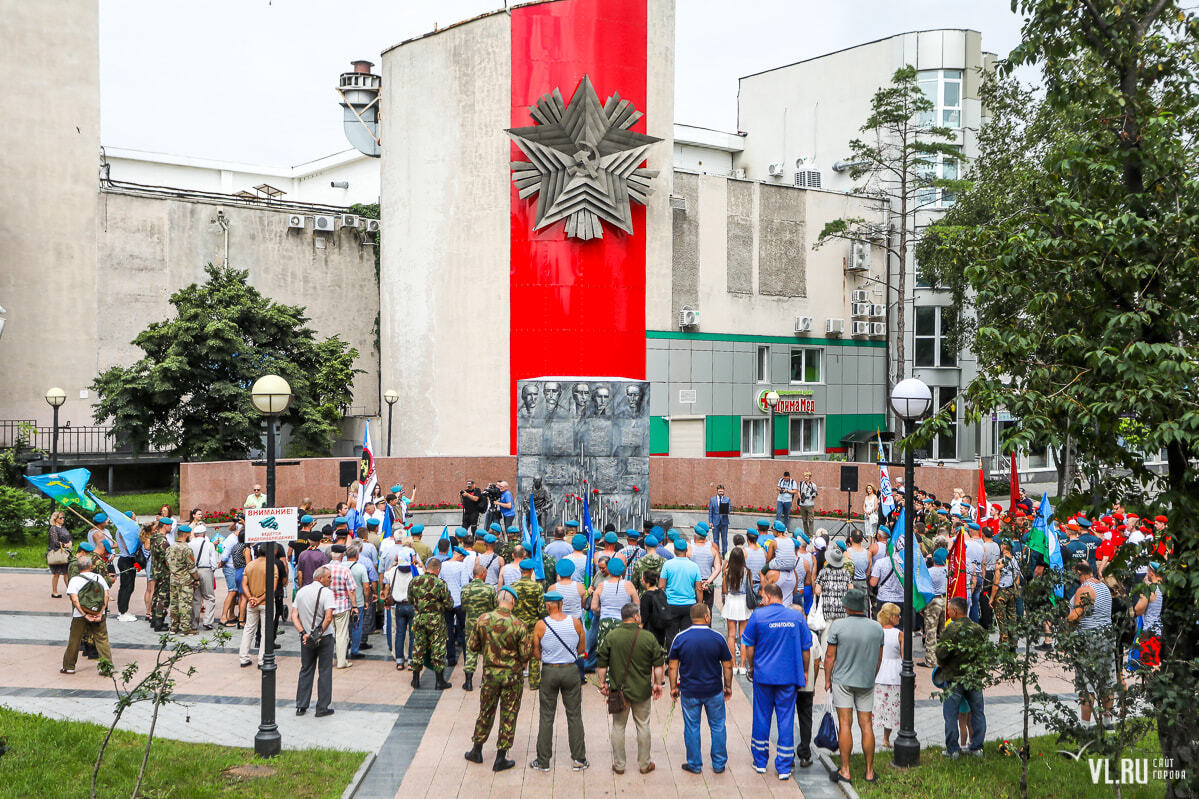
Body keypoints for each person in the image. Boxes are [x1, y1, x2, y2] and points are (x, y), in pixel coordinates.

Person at [742, 583, 811, 780]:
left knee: (762, 717)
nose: (761, 600)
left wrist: (752, 667)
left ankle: (761, 761)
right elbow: (806, 648)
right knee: (786, 718)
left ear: (770, 597)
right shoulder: (796, 617)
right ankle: (784, 766)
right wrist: (804, 671)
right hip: (788, 677)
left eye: (763, 596)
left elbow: (748, 645)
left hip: (763, 676)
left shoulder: (758, 616)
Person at [465, 585, 533, 772]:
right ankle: (501, 757)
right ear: (513, 602)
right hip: (512, 677)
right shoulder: (518, 624)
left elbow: (472, 646)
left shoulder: (483, 619)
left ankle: (476, 750)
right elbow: (526, 654)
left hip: (489, 675)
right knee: (509, 714)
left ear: (498, 600)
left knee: (486, 711)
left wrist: (488, 653)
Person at [596, 602, 666, 775]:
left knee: (618, 726)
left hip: (619, 691)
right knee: (643, 725)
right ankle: (644, 764)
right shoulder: (647, 637)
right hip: (642, 691)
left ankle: (619, 765)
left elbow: (601, 664)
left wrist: (602, 683)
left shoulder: (612, 636)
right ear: (635, 617)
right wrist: (657, 683)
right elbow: (658, 664)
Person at [824, 587, 884, 784]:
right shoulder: (877, 628)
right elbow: (878, 660)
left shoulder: (838, 626)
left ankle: (846, 770)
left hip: (843, 680)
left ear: (847, 606)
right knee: (866, 724)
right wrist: (870, 676)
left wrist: (827, 680)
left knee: (845, 724)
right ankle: (869, 772)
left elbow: (830, 656)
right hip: (866, 680)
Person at [669, 603, 733, 774]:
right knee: (718, 726)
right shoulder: (717, 638)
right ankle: (719, 764)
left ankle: (695, 764)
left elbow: (673, 666)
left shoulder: (680, 638)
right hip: (714, 690)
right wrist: (728, 686)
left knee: (691, 727)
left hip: (689, 691)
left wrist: (673, 687)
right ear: (706, 617)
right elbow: (727, 665)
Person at [529, 591, 588, 772]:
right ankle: (579, 758)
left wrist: (547, 657)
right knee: (574, 715)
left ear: (547, 606)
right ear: (561, 604)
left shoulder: (541, 625)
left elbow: (535, 651)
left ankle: (543, 760)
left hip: (549, 671)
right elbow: (582, 648)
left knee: (546, 716)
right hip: (570, 670)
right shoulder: (576, 623)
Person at [936, 596, 987, 757]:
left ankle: (952, 750)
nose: (948, 612)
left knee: (951, 715)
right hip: (973, 678)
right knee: (978, 713)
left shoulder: (951, 630)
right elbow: (984, 654)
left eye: (949, 609)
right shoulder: (978, 629)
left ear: (955, 611)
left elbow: (941, 653)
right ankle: (977, 747)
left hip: (954, 678)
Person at [1066, 561, 1114, 726]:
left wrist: (1064, 624)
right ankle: (1108, 722)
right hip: (1107, 637)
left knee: (1087, 685)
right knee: (1107, 682)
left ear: (1080, 572)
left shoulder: (1084, 590)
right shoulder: (1104, 588)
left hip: (1089, 639)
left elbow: (1075, 616)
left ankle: (1085, 726)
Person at [292, 565, 336, 717]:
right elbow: (329, 617)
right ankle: (322, 707)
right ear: (320, 578)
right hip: (324, 637)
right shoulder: (327, 593)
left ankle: (301, 705)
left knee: (306, 669)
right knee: (324, 671)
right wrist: (319, 633)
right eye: (329, 577)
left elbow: (294, 615)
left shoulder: (302, 591)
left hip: (306, 638)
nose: (330, 580)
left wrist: (303, 633)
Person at [61, 554, 112, 674]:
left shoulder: (75, 580)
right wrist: (100, 612)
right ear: (90, 566)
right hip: (99, 613)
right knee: (102, 639)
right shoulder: (99, 578)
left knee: (75, 639)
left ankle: (69, 666)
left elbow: (74, 599)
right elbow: (106, 596)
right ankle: (107, 668)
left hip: (80, 615)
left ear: (79, 567)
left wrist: (84, 614)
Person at [408, 556, 453, 689]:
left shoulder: (414, 581)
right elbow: (449, 604)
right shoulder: (440, 583)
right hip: (436, 620)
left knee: (418, 647)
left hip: (419, 618)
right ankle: (439, 681)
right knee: (438, 649)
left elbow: (410, 600)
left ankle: (415, 680)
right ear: (438, 569)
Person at [238, 544, 281, 667]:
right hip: (265, 603)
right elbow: (271, 588)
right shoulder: (272, 566)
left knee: (248, 629)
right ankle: (262, 659)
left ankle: (244, 657)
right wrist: (259, 599)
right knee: (265, 632)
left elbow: (244, 584)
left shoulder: (250, 565)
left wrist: (250, 598)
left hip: (251, 603)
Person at [460, 561, 498, 690]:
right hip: (486, 624)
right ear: (482, 574)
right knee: (487, 653)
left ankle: (469, 681)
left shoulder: (465, 588)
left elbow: (463, 607)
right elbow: (494, 608)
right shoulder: (489, 589)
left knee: (470, 650)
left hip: (471, 623)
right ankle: (485, 681)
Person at [659, 539, 702, 650]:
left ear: (674, 550)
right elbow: (699, 588)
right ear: (686, 550)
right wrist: (700, 604)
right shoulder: (694, 566)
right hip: (689, 605)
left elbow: (661, 587)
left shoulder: (667, 565)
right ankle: (685, 660)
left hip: (671, 604)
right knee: (687, 636)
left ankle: (672, 660)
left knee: (671, 636)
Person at [511, 557, 546, 689]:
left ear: (521, 570)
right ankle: (534, 682)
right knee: (534, 653)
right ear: (531, 571)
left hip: (517, 624)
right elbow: (542, 609)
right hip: (533, 625)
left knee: (517, 653)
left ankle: (516, 680)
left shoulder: (513, 586)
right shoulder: (537, 587)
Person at [873, 603, 903, 749]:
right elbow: (904, 657)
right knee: (892, 707)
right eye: (897, 615)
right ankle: (886, 738)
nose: (899, 618)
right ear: (891, 617)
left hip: (879, 672)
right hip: (894, 673)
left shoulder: (876, 632)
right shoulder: (899, 634)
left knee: (878, 706)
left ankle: (871, 735)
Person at [720, 548, 751, 676]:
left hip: (732, 601)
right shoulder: (747, 571)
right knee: (743, 636)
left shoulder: (726, 572)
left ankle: (733, 665)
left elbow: (725, 590)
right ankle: (743, 665)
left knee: (731, 635)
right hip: (743, 602)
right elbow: (749, 588)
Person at [327, 545, 357, 669]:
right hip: (342, 605)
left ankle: (327, 660)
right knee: (342, 634)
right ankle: (341, 661)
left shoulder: (323, 569)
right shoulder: (345, 570)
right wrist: (354, 606)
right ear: (342, 556)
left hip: (327, 606)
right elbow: (351, 590)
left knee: (328, 634)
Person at [166, 525, 200, 634]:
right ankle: (185, 628)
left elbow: (167, 562)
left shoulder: (170, 547)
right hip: (185, 580)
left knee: (174, 603)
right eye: (189, 534)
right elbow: (191, 566)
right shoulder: (186, 548)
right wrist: (196, 579)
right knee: (185, 603)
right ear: (185, 534)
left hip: (173, 579)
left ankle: (173, 627)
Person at [989, 539, 1021, 647]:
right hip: (1011, 591)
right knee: (1012, 618)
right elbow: (1017, 579)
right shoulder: (1015, 560)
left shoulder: (1000, 562)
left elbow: (996, 581)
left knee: (1001, 620)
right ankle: (1013, 644)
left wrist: (992, 597)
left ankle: (1004, 645)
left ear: (1003, 547)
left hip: (1001, 592)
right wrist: (1015, 591)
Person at [188, 523, 220, 631]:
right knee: (209, 597)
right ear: (204, 534)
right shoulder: (209, 544)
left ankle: (194, 623)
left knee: (196, 597)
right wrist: (212, 571)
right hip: (206, 570)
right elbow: (213, 561)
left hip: (193, 571)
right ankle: (207, 622)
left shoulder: (190, 544)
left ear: (195, 534)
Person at [923, 548, 949, 667]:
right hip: (947, 600)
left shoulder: (929, 572)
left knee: (931, 630)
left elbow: (925, 589)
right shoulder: (949, 570)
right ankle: (945, 658)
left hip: (934, 600)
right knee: (945, 630)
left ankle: (931, 660)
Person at [346, 546, 370, 660]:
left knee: (344, 627)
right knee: (356, 626)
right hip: (358, 601)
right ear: (357, 555)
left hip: (343, 602)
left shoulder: (340, 566)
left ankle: (343, 650)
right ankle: (355, 650)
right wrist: (366, 600)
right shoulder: (361, 567)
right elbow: (366, 586)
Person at [148, 518, 171, 631]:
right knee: (163, 597)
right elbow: (167, 558)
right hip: (163, 572)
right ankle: (159, 621)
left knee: (156, 594)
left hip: (156, 570)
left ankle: (153, 619)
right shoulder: (162, 541)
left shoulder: (154, 537)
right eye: (170, 525)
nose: (171, 527)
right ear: (165, 526)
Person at [691, 525, 722, 610]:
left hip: (693, 583)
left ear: (695, 535)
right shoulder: (712, 547)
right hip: (707, 582)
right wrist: (708, 581)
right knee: (707, 609)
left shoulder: (689, 546)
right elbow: (718, 566)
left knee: (694, 610)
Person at [47, 511, 71, 598]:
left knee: (66, 573)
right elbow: (55, 541)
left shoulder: (63, 528)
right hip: (57, 552)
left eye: (63, 517)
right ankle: (54, 592)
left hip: (65, 553)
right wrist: (65, 545)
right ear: (55, 519)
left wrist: (70, 543)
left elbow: (69, 537)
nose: (63, 519)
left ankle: (70, 590)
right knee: (56, 573)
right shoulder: (53, 528)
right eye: (61, 518)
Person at [707, 485, 732, 553]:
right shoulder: (712, 500)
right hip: (715, 522)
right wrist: (710, 521)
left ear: (724, 491)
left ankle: (724, 554)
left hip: (724, 522)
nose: (721, 492)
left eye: (722, 491)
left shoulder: (727, 499)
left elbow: (730, 508)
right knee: (715, 539)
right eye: (719, 491)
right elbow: (710, 511)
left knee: (724, 539)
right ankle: (717, 553)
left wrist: (727, 510)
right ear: (717, 491)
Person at [797, 471, 818, 539]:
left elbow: (816, 494)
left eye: (807, 476)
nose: (806, 477)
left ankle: (811, 535)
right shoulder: (801, 484)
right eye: (805, 476)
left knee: (811, 520)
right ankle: (806, 534)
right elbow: (798, 492)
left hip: (810, 504)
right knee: (804, 520)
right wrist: (801, 498)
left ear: (810, 477)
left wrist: (813, 495)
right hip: (802, 504)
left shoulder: (813, 485)